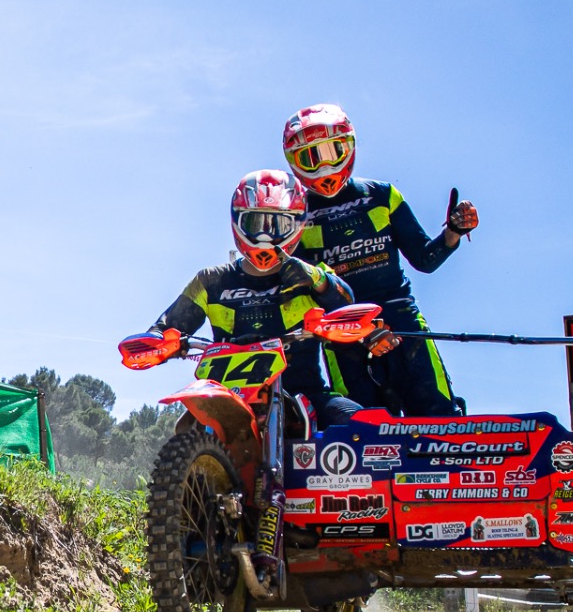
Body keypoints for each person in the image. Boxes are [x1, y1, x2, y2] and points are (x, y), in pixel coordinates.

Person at [137, 168, 395, 428]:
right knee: (187, 427)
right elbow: (168, 325)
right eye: (255, 223)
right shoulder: (210, 280)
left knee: (363, 424)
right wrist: (154, 342)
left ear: (297, 225)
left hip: (304, 393)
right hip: (226, 398)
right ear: (237, 221)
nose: (265, 236)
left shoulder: (312, 273)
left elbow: (348, 303)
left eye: (278, 225)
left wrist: (317, 280)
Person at [282, 103, 478, 417]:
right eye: (311, 157)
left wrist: (453, 232)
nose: (324, 165)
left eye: (333, 151)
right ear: (294, 162)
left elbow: (425, 260)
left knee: (439, 419)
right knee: (360, 429)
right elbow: (299, 288)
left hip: (403, 324)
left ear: (349, 146)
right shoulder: (293, 217)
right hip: (341, 332)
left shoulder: (383, 195)